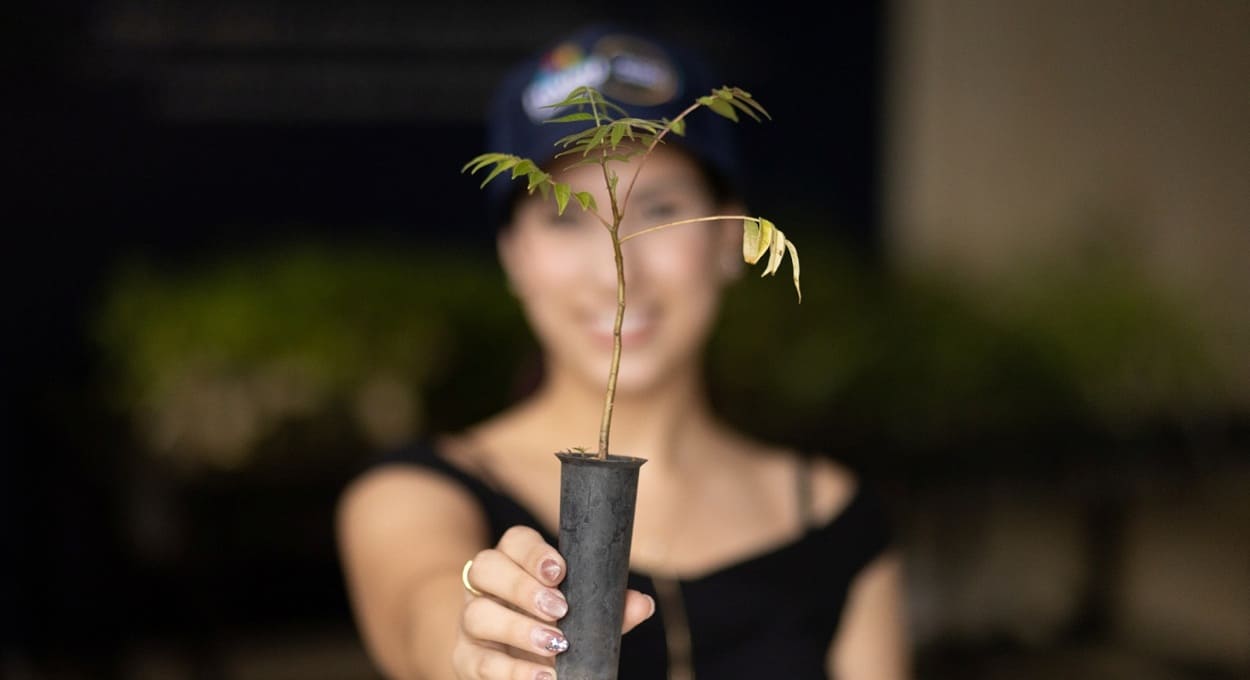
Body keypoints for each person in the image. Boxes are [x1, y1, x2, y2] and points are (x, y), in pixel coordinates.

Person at [335, 22, 910, 680]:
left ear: (730, 239)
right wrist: (477, 644)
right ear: (513, 257)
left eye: (663, 210)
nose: (617, 274)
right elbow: (424, 614)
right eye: (563, 217)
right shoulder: (416, 494)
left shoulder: (833, 517)